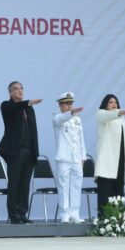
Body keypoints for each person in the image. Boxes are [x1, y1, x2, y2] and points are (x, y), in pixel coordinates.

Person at [0, 81, 41, 224]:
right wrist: (28, 102)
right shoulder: (7, 105)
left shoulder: (29, 109)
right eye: (16, 89)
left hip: (29, 151)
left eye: (22, 88)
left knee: (25, 184)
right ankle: (14, 215)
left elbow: (34, 131)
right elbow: (15, 107)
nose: (20, 91)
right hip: (15, 151)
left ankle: (22, 213)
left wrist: (36, 151)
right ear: (10, 92)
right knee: (14, 184)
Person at [95, 94, 125, 216]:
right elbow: (106, 116)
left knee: (118, 188)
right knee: (105, 191)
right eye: (111, 102)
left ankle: (118, 217)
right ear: (105, 104)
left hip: (119, 159)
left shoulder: (121, 119)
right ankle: (103, 218)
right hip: (106, 160)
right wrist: (117, 112)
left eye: (115, 102)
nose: (114, 104)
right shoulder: (101, 114)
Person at [52, 92, 86, 223]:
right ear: (60, 106)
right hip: (63, 158)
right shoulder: (57, 118)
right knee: (63, 187)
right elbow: (61, 119)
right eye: (66, 104)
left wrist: (83, 157)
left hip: (76, 158)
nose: (70, 106)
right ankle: (64, 214)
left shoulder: (78, 120)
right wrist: (71, 113)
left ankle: (74, 213)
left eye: (71, 103)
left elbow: (81, 139)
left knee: (76, 186)